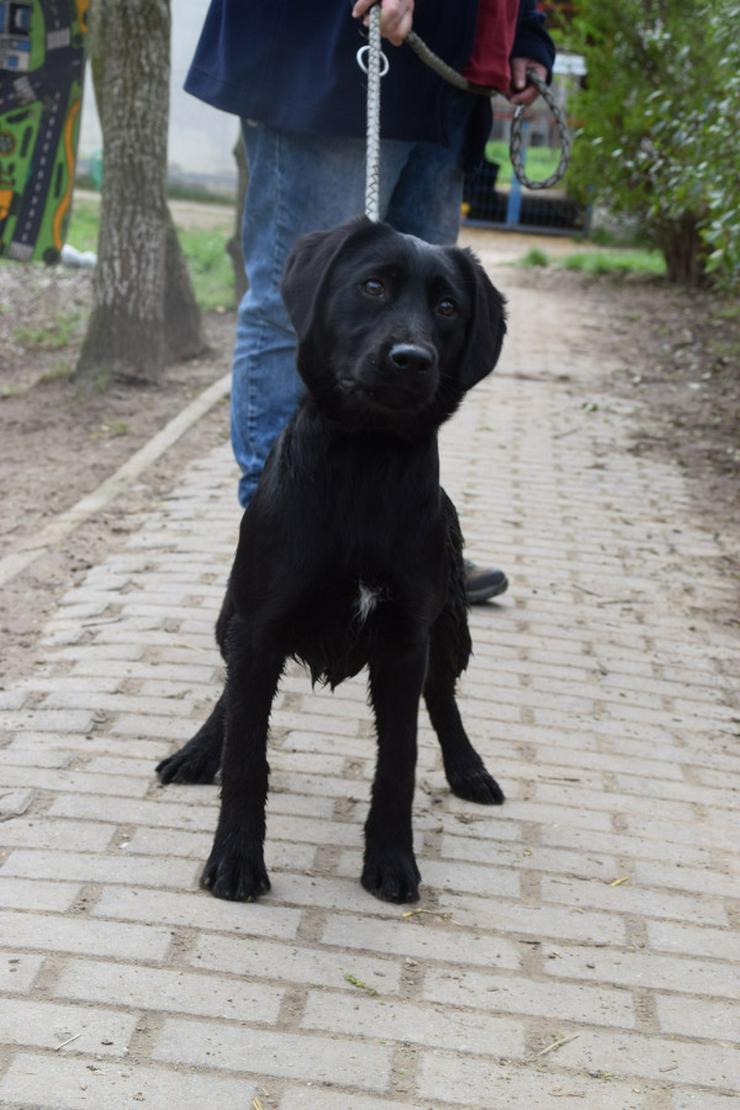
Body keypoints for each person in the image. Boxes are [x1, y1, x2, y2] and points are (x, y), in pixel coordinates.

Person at [185, 0, 555, 602]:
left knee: (415, 335)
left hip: (448, 75)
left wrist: (528, 30)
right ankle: (277, 542)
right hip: (331, 53)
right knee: (297, 310)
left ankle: (400, 548)